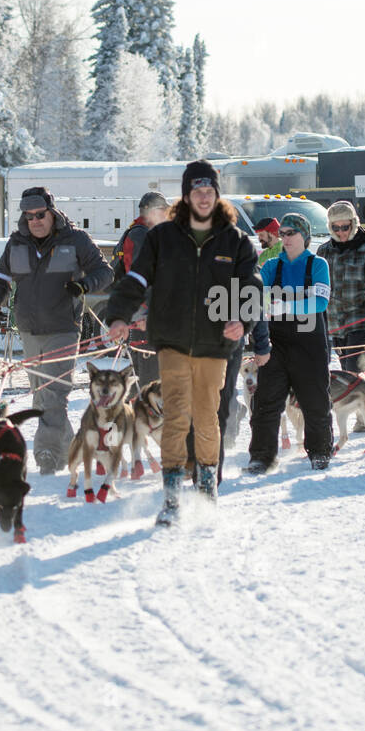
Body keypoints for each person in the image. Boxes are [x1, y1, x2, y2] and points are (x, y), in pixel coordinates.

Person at [107, 161, 261, 522]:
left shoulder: (234, 240)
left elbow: (251, 285)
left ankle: (207, 487)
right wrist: (119, 315)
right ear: (186, 195)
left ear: (217, 196)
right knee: (175, 416)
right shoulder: (163, 238)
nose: (203, 198)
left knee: (208, 417)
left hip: (214, 343)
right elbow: (136, 279)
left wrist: (243, 318)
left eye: (209, 192)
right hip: (172, 340)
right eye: (197, 191)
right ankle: (172, 495)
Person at [0, 188, 113, 474]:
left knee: (54, 394)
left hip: (63, 328)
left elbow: (105, 272)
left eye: (40, 215)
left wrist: (83, 286)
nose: (35, 221)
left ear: (52, 213)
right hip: (29, 330)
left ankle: (46, 453)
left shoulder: (75, 240)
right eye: (28, 216)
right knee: (41, 396)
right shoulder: (17, 243)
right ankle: (71, 447)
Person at [246, 212, 332, 473]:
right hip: (277, 344)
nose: (285, 238)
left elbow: (320, 301)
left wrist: (284, 305)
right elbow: (258, 298)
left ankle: (319, 452)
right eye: (282, 233)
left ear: (304, 236)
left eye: (291, 233)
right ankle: (262, 457)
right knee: (266, 402)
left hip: (310, 345)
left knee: (315, 401)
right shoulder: (272, 266)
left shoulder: (317, 265)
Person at [317, 200, 365, 372]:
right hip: (335, 320)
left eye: (345, 227)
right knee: (347, 369)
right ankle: (364, 394)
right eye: (336, 228)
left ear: (353, 224)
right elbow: (315, 281)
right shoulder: (324, 251)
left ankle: (363, 396)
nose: (341, 232)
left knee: (353, 370)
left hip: (361, 318)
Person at [111, 191, 169, 385]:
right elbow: (141, 277)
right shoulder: (141, 234)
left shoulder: (141, 232)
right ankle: (141, 412)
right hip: (143, 313)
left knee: (149, 373)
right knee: (149, 377)